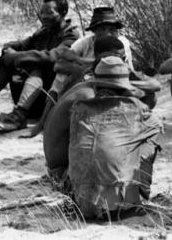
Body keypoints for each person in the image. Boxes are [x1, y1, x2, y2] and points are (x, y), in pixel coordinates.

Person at [50, 55, 163, 219]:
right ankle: (138, 195)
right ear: (124, 86)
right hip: (117, 209)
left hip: (79, 203)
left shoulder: (79, 109)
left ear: (96, 86)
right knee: (153, 131)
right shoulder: (139, 111)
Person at [43, 35, 161, 175]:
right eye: (117, 57)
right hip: (65, 172)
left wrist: (122, 81)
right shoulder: (87, 95)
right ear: (98, 57)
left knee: (145, 103)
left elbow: (154, 85)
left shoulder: (94, 82)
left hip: (73, 164)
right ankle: (138, 187)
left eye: (122, 58)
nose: (123, 62)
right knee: (150, 127)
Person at [19, 7, 140, 138]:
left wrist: (79, 62)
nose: (108, 34)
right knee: (61, 76)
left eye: (111, 29)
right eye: (103, 29)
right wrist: (83, 66)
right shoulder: (86, 42)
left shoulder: (120, 43)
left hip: (117, 83)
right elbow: (59, 65)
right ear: (95, 31)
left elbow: (113, 67)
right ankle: (42, 123)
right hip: (88, 80)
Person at [0, 0, 79, 132]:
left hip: (50, 99)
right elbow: (22, 45)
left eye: (49, 13)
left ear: (63, 13)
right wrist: (8, 49)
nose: (44, 16)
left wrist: (16, 56)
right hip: (31, 94)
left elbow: (51, 57)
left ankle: (19, 115)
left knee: (38, 68)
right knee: (10, 62)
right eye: (42, 12)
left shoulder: (71, 36)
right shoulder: (43, 32)